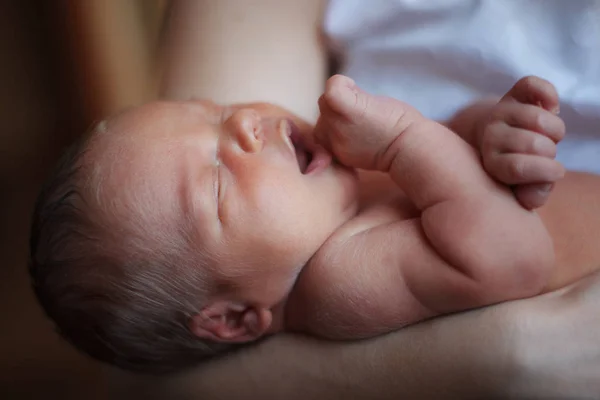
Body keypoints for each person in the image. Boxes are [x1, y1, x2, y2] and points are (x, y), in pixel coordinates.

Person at [109, 0, 598, 398]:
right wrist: (400, 142)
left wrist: (487, 131)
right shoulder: (336, 284)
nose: (242, 123)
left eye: (213, 111)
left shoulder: (338, 199)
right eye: (215, 182)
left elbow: (453, 167)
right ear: (236, 317)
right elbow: (513, 257)